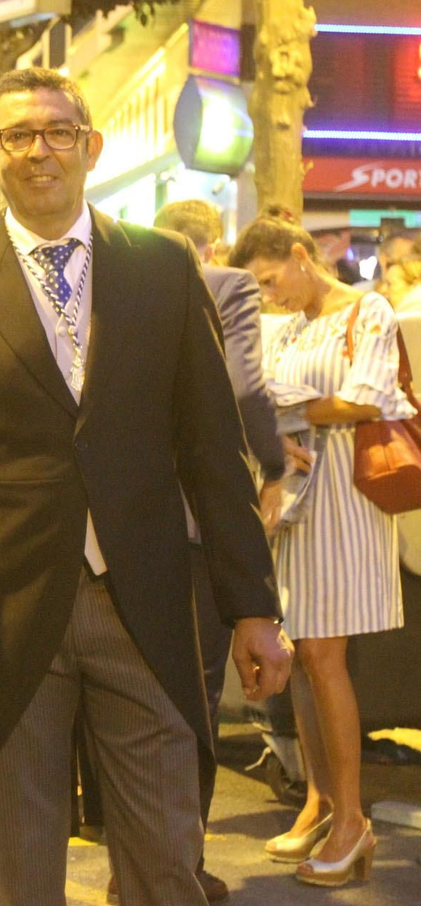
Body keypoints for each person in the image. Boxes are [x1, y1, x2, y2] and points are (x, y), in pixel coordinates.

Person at [0, 67, 292, 906]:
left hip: (145, 603)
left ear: (91, 146)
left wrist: (254, 605)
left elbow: (213, 449)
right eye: (19, 135)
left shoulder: (162, 266)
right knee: (25, 873)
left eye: (58, 131)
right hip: (11, 609)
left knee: (166, 862)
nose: (41, 150)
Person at [78, 198, 291, 903]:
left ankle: (134, 857)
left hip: (116, 527)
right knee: (186, 701)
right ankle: (174, 860)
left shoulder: (103, 276)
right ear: (212, 243)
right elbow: (242, 389)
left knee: (125, 695)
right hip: (186, 525)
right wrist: (273, 464)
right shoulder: (228, 284)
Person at [232, 210, 410, 888]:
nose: (269, 294)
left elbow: (368, 399)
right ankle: (320, 799)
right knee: (304, 653)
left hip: (345, 497)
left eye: (271, 279)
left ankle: (352, 820)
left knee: (324, 655)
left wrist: (293, 409)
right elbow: (259, 401)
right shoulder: (292, 327)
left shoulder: (367, 310)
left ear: (301, 256)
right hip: (297, 499)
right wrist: (293, 413)